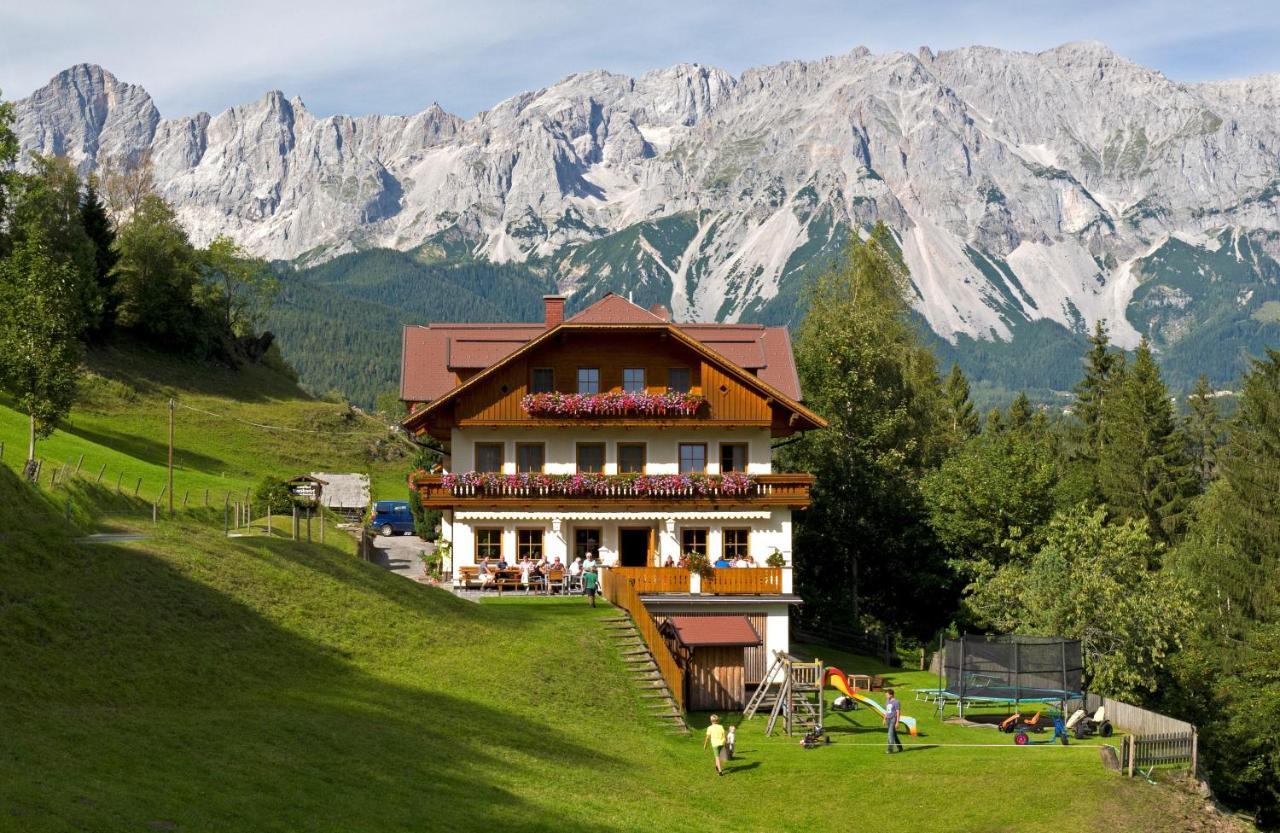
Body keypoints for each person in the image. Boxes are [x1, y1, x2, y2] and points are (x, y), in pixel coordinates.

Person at [883, 688, 904, 753]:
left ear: (891, 695)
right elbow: (887, 711)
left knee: (890, 734)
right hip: (888, 720)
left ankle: (890, 749)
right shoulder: (887, 701)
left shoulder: (896, 702)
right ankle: (900, 747)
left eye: (887, 695)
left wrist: (897, 722)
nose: (886, 696)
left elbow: (898, 712)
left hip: (893, 719)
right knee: (893, 734)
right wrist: (884, 719)